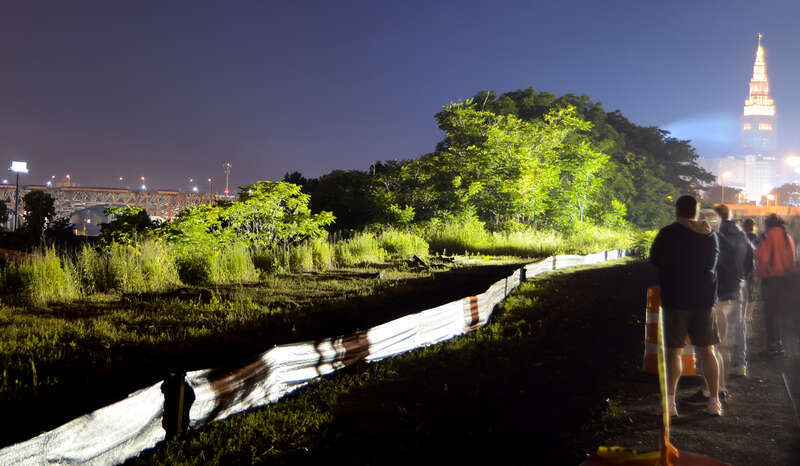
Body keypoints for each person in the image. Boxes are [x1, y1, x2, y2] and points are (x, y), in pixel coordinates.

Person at [650, 195, 722, 417]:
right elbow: (713, 264)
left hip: (676, 300)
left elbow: (655, 259)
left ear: (677, 211)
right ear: (696, 211)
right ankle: (715, 401)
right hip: (704, 300)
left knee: (675, 352)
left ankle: (670, 404)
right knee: (707, 350)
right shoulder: (710, 236)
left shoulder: (668, 234)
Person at [755, 214, 796, 358]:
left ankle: (772, 346)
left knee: (770, 314)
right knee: (778, 313)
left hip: (772, 280)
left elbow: (762, 256)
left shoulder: (769, 236)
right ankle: (779, 344)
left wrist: (760, 273)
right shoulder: (787, 236)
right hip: (786, 280)